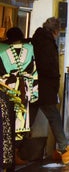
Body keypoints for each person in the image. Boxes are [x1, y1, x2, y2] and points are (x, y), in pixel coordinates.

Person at [30, 17, 69, 165]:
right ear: (55, 30)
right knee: (53, 117)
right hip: (44, 86)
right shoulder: (46, 43)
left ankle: (17, 150)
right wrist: (54, 78)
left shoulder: (39, 39)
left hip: (37, 86)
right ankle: (64, 150)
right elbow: (47, 65)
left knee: (28, 119)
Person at [0, 27, 37, 166]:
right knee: (21, 122)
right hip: (24, 89)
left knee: (7, 122)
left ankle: (9, 156)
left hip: (7, 89)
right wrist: (34, 93)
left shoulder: (2, 50)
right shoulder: (30, 49)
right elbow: (34, 71)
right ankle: (15, 154)